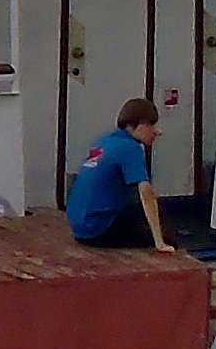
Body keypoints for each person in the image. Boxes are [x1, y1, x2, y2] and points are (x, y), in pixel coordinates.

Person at [65, 94, 161, 250]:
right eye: (151, 125)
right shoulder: (131, 147)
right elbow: (146, 193)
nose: (157, 131)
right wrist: (160, 242)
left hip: (79, 226)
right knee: (157, 223)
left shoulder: (104, 141)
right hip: (99, 229)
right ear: (134, 125)